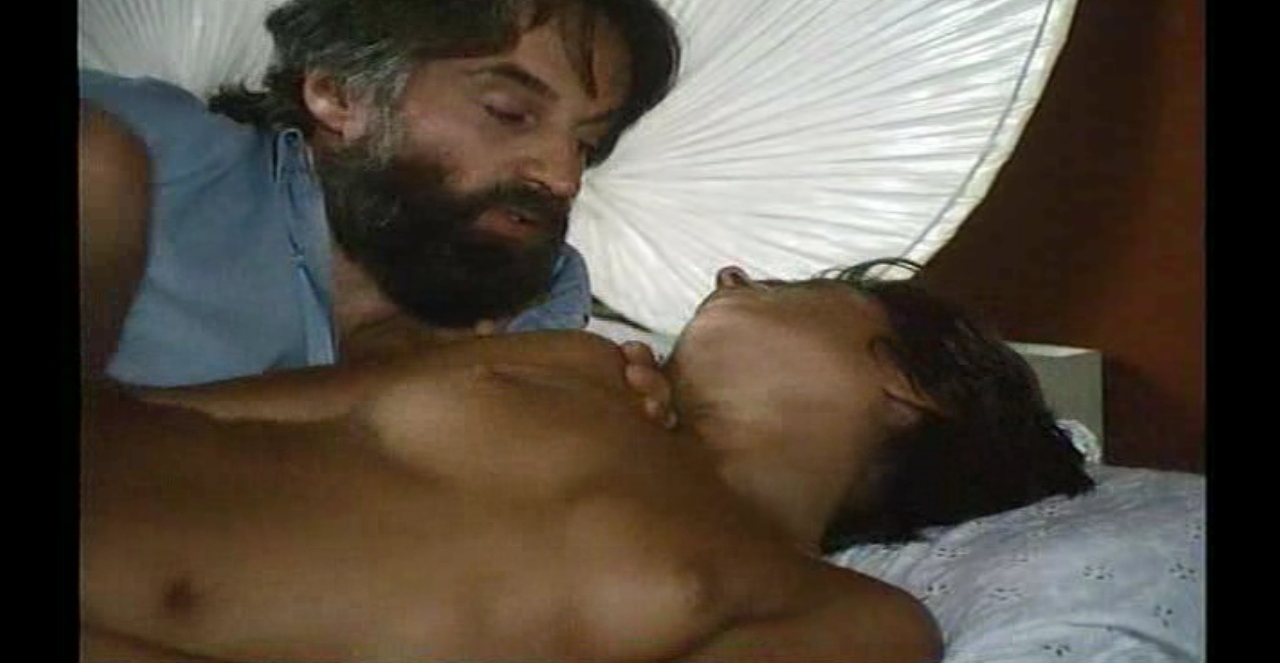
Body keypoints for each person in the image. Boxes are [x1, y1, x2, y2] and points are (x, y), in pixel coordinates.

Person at [82, 259, 1094, 662]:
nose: (729, 272)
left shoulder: (858, 620)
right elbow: (158, 412)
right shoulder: (564, 364)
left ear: (910, 386)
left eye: (796, 286)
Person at [79, 0, 681, 387]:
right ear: (340, 92)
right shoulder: (142, 146)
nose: (562, 178)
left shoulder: (542, 288)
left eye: (586, 145)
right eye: (509, 113)